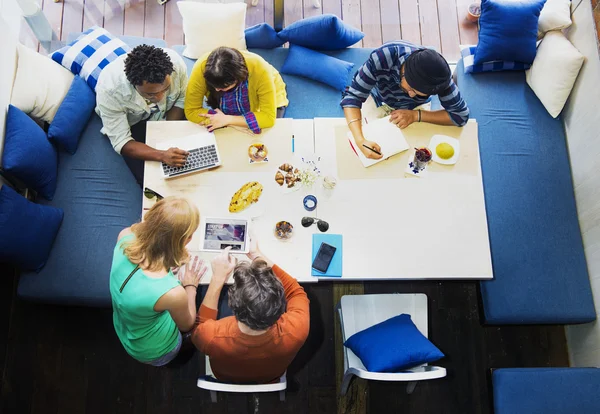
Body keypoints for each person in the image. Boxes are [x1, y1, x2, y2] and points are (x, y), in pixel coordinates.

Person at [192, 240, 310, 384]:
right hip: (271, 377)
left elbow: (200, 324)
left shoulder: (211, 337)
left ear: (232, 304)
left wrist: (218, 278)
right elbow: (296, 292)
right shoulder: (297, 330)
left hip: (225, 376)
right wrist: (257, 256)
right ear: (280, 305)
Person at [110, 197, 206, 366]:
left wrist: (167, 263)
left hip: (124, 326)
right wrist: (190, 287)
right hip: (155, 350)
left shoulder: (125, 236)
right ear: (185, 240)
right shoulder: (172, 293)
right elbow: (187, 324)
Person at [341, 41, 470, 160]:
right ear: (403, 73)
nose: (411, 95)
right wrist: (360, 140)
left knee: (411, 154)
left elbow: (461, 116)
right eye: (410, 89)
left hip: (415, 108)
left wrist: (416, 115)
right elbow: (353, 97)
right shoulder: (382, 58)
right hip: (378, 98)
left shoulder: (440, 79)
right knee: (362, 144)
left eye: (420, 94)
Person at [96, 45, 189, 185]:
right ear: (133, 84)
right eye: (151, 94)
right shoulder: (109, 90)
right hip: (134, 124)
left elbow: (181, 100)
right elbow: (122, 141)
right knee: (152, 183)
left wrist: (168, 131)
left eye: (166, 89)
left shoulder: (176, 63)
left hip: (169, 115)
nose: (160, 97)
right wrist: (162, 155)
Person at [185, 47, 288, 135]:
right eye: (214, 86)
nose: (216, 90)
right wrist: (221, 120)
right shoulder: (201, 68)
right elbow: (191, 111)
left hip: (269, 94)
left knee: (269, 134)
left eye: (223, 87)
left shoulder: (260, 69)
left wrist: (228, 120)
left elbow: (268, 118)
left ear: (238, 77)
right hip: (226, 111)